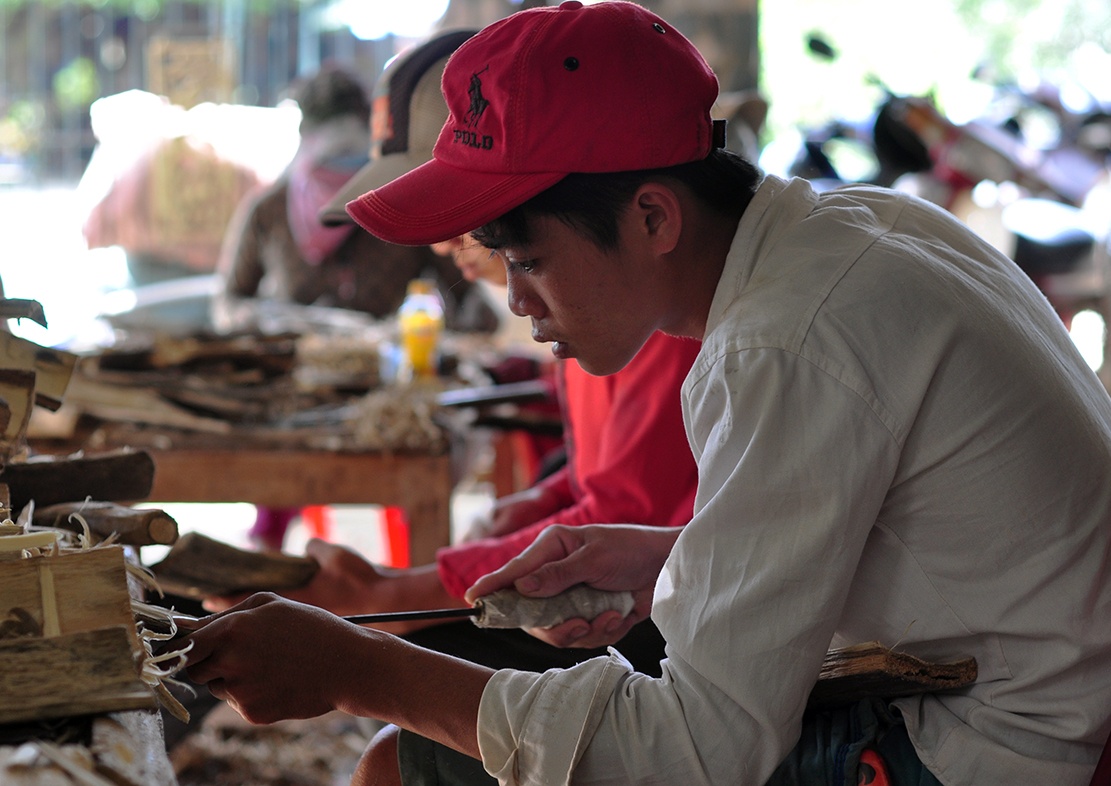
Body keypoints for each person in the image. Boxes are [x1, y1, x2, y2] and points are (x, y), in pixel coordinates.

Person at [182, 3, 1111, 785]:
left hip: (991, 744)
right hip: (1033, 685)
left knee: (406, 765)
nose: (515, 301)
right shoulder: (851, 228)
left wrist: (357, 669)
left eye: (528, 259)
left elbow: (694, 753)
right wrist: (674, 557)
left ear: (654, 216)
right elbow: (936, 532)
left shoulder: (779, 342)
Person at [203, 26, 700, 676]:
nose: (440, 244)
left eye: (456, 210)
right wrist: (544, 502)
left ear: (651, 219)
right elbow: (615, 486)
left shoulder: (633, 307)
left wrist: (390, 596)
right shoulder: (605, 299)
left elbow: (628, 514)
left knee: (403, 678)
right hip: (652, 581)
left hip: (667, 618)